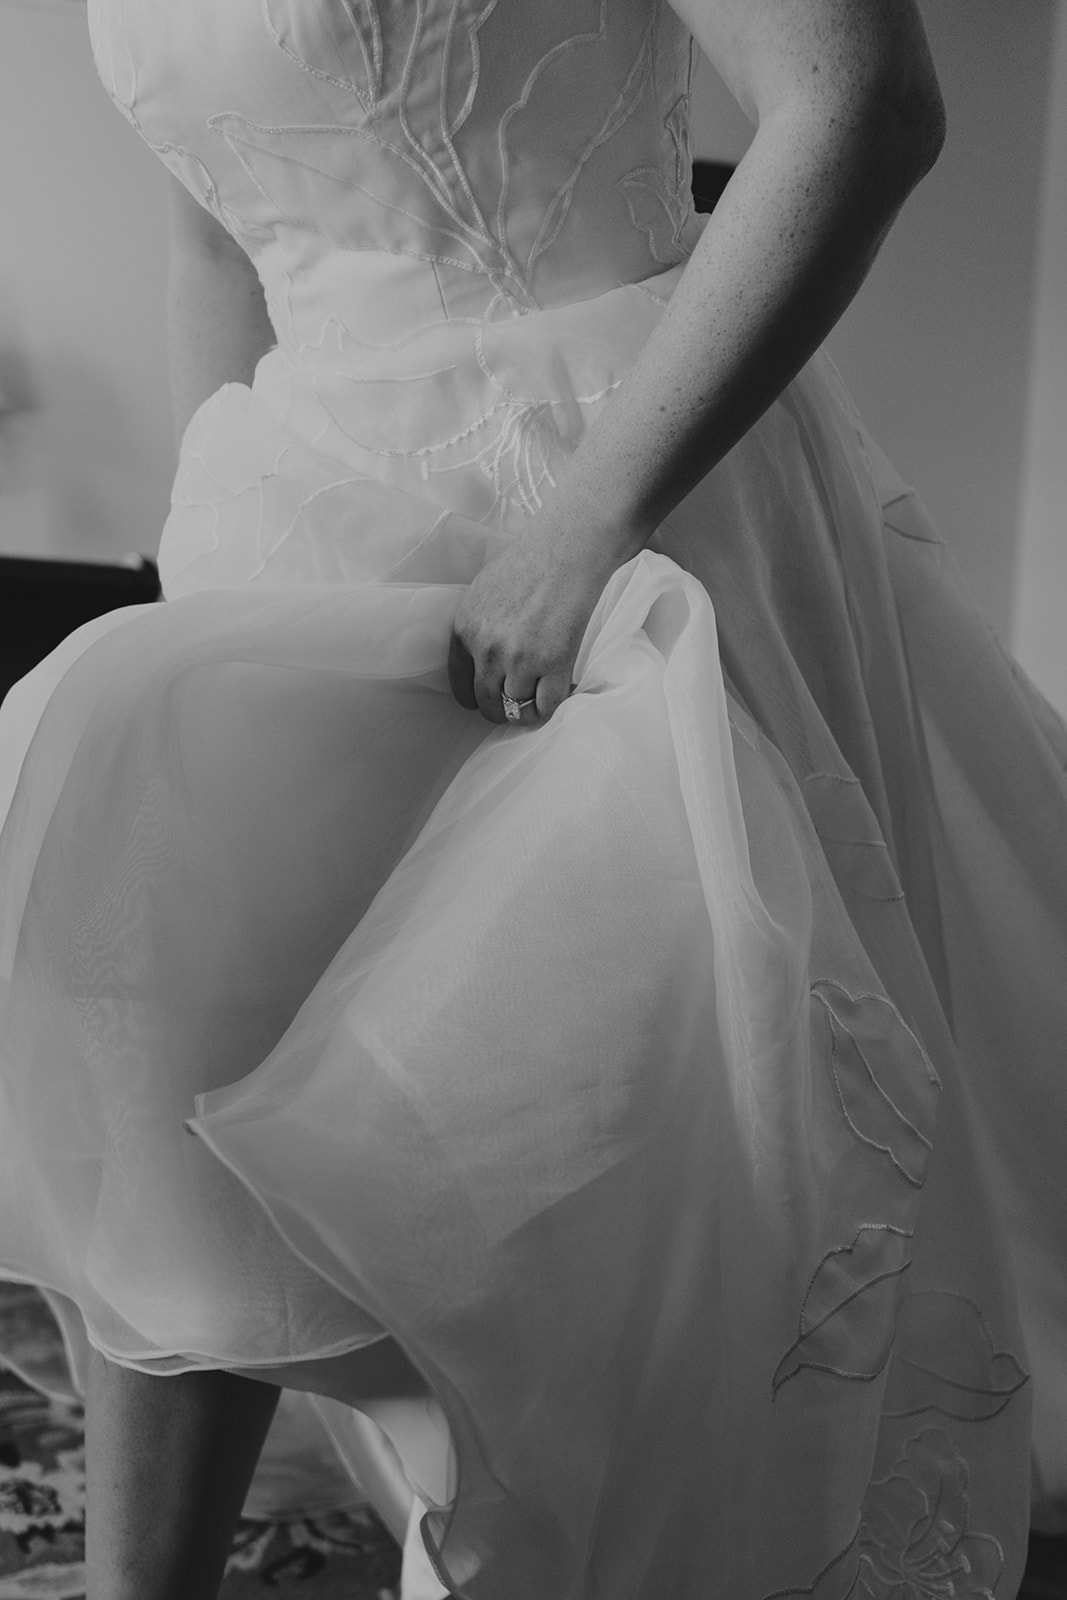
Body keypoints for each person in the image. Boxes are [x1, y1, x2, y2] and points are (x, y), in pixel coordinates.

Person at [1, 0, 1064, 1596]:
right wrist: (195, 572)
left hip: (612, 511)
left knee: (603, 1160)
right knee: (171, 1094)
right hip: (284, 522)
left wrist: (589, 523)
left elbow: (863, 106)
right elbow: (215, 248)